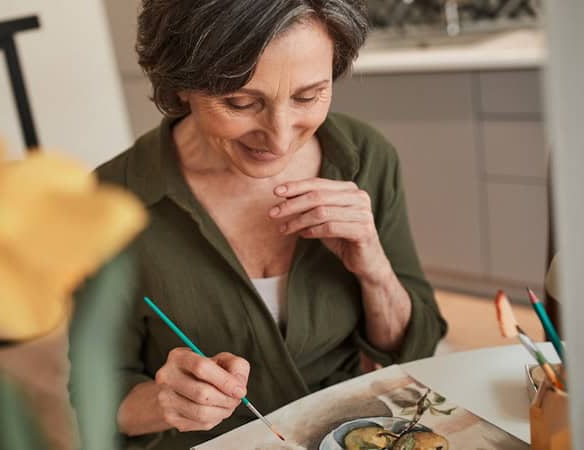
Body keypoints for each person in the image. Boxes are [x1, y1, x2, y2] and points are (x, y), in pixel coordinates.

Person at [73, 1, 447, 448]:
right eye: (241, 102)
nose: (280, 136)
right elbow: (91, 396)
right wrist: (164, 401)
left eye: (309, 96)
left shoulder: (365, 157)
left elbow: (418, 350)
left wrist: (374, 270)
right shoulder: (111, 201)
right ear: (181, 86)